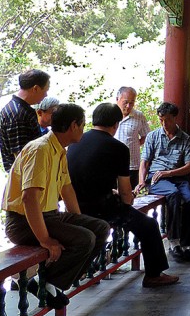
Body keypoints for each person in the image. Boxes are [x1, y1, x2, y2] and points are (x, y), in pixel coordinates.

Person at [2, 103, 110, 309]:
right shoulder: (41, 149)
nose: (84, 130)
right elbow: (29, 198)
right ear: (73, 126)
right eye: (83, 125)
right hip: (23, 222)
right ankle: (45, 284)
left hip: (50, 215)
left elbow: (67, 189)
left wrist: (79, 221)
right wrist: (46, 240)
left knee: (100, 228)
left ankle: (48, 282)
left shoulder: (58, 150)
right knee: (84, 239)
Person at [67, 103, 179, 288]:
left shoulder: (75, 143)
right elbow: (126, 193)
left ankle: (89, 268)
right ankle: (153, 274)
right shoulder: (117, 147)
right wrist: (126, 198)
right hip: (102, 207)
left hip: (76, 206)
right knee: (149, 226)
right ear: (116, 124)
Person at [139, 102, 190, 262]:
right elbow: (144, 162)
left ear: (175, 118)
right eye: (161, 120)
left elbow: (189, 166)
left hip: (177, 176)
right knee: (173, 195)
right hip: (157, 178)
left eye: (167, 120)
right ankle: (174, 242)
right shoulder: (153, 136)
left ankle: (186, 244)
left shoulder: (185, 138)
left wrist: (169, 172)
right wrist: (141, 181)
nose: (164, 123)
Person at [0, 68, 51, 171]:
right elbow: (21, 156)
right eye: (45, 90)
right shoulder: (17, 114)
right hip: (24, 179)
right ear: (35, 88)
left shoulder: (21, 109)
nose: (46, 95)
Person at [114, 86, 151, 188]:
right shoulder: (111, 115)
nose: (128, 106)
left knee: (129, 195)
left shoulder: (139, 116)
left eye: (132, 102)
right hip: (112, 163)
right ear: (117, 99)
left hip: (132, 165)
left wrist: (135, 143)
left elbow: (146, 135)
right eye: (125, 102)